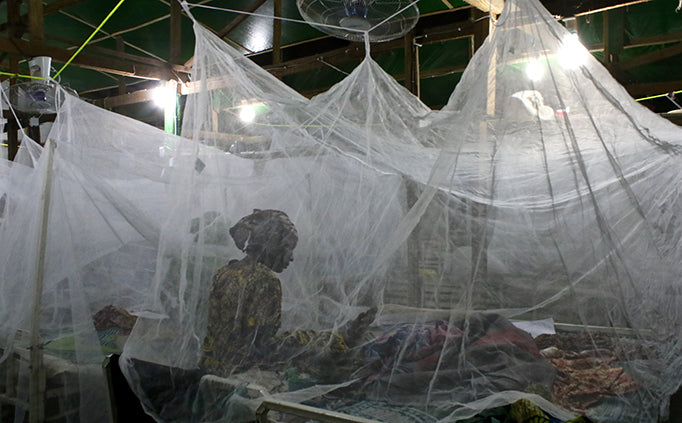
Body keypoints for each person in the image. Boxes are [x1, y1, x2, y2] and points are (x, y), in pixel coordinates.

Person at [200, 209, 298, 376]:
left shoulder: (225, 271)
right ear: (273, 245)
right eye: (288, 248)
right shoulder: (267, 280)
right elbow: (262, 343)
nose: (291, 257)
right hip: (241, 372)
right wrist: (303, 341)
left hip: (211, 367)